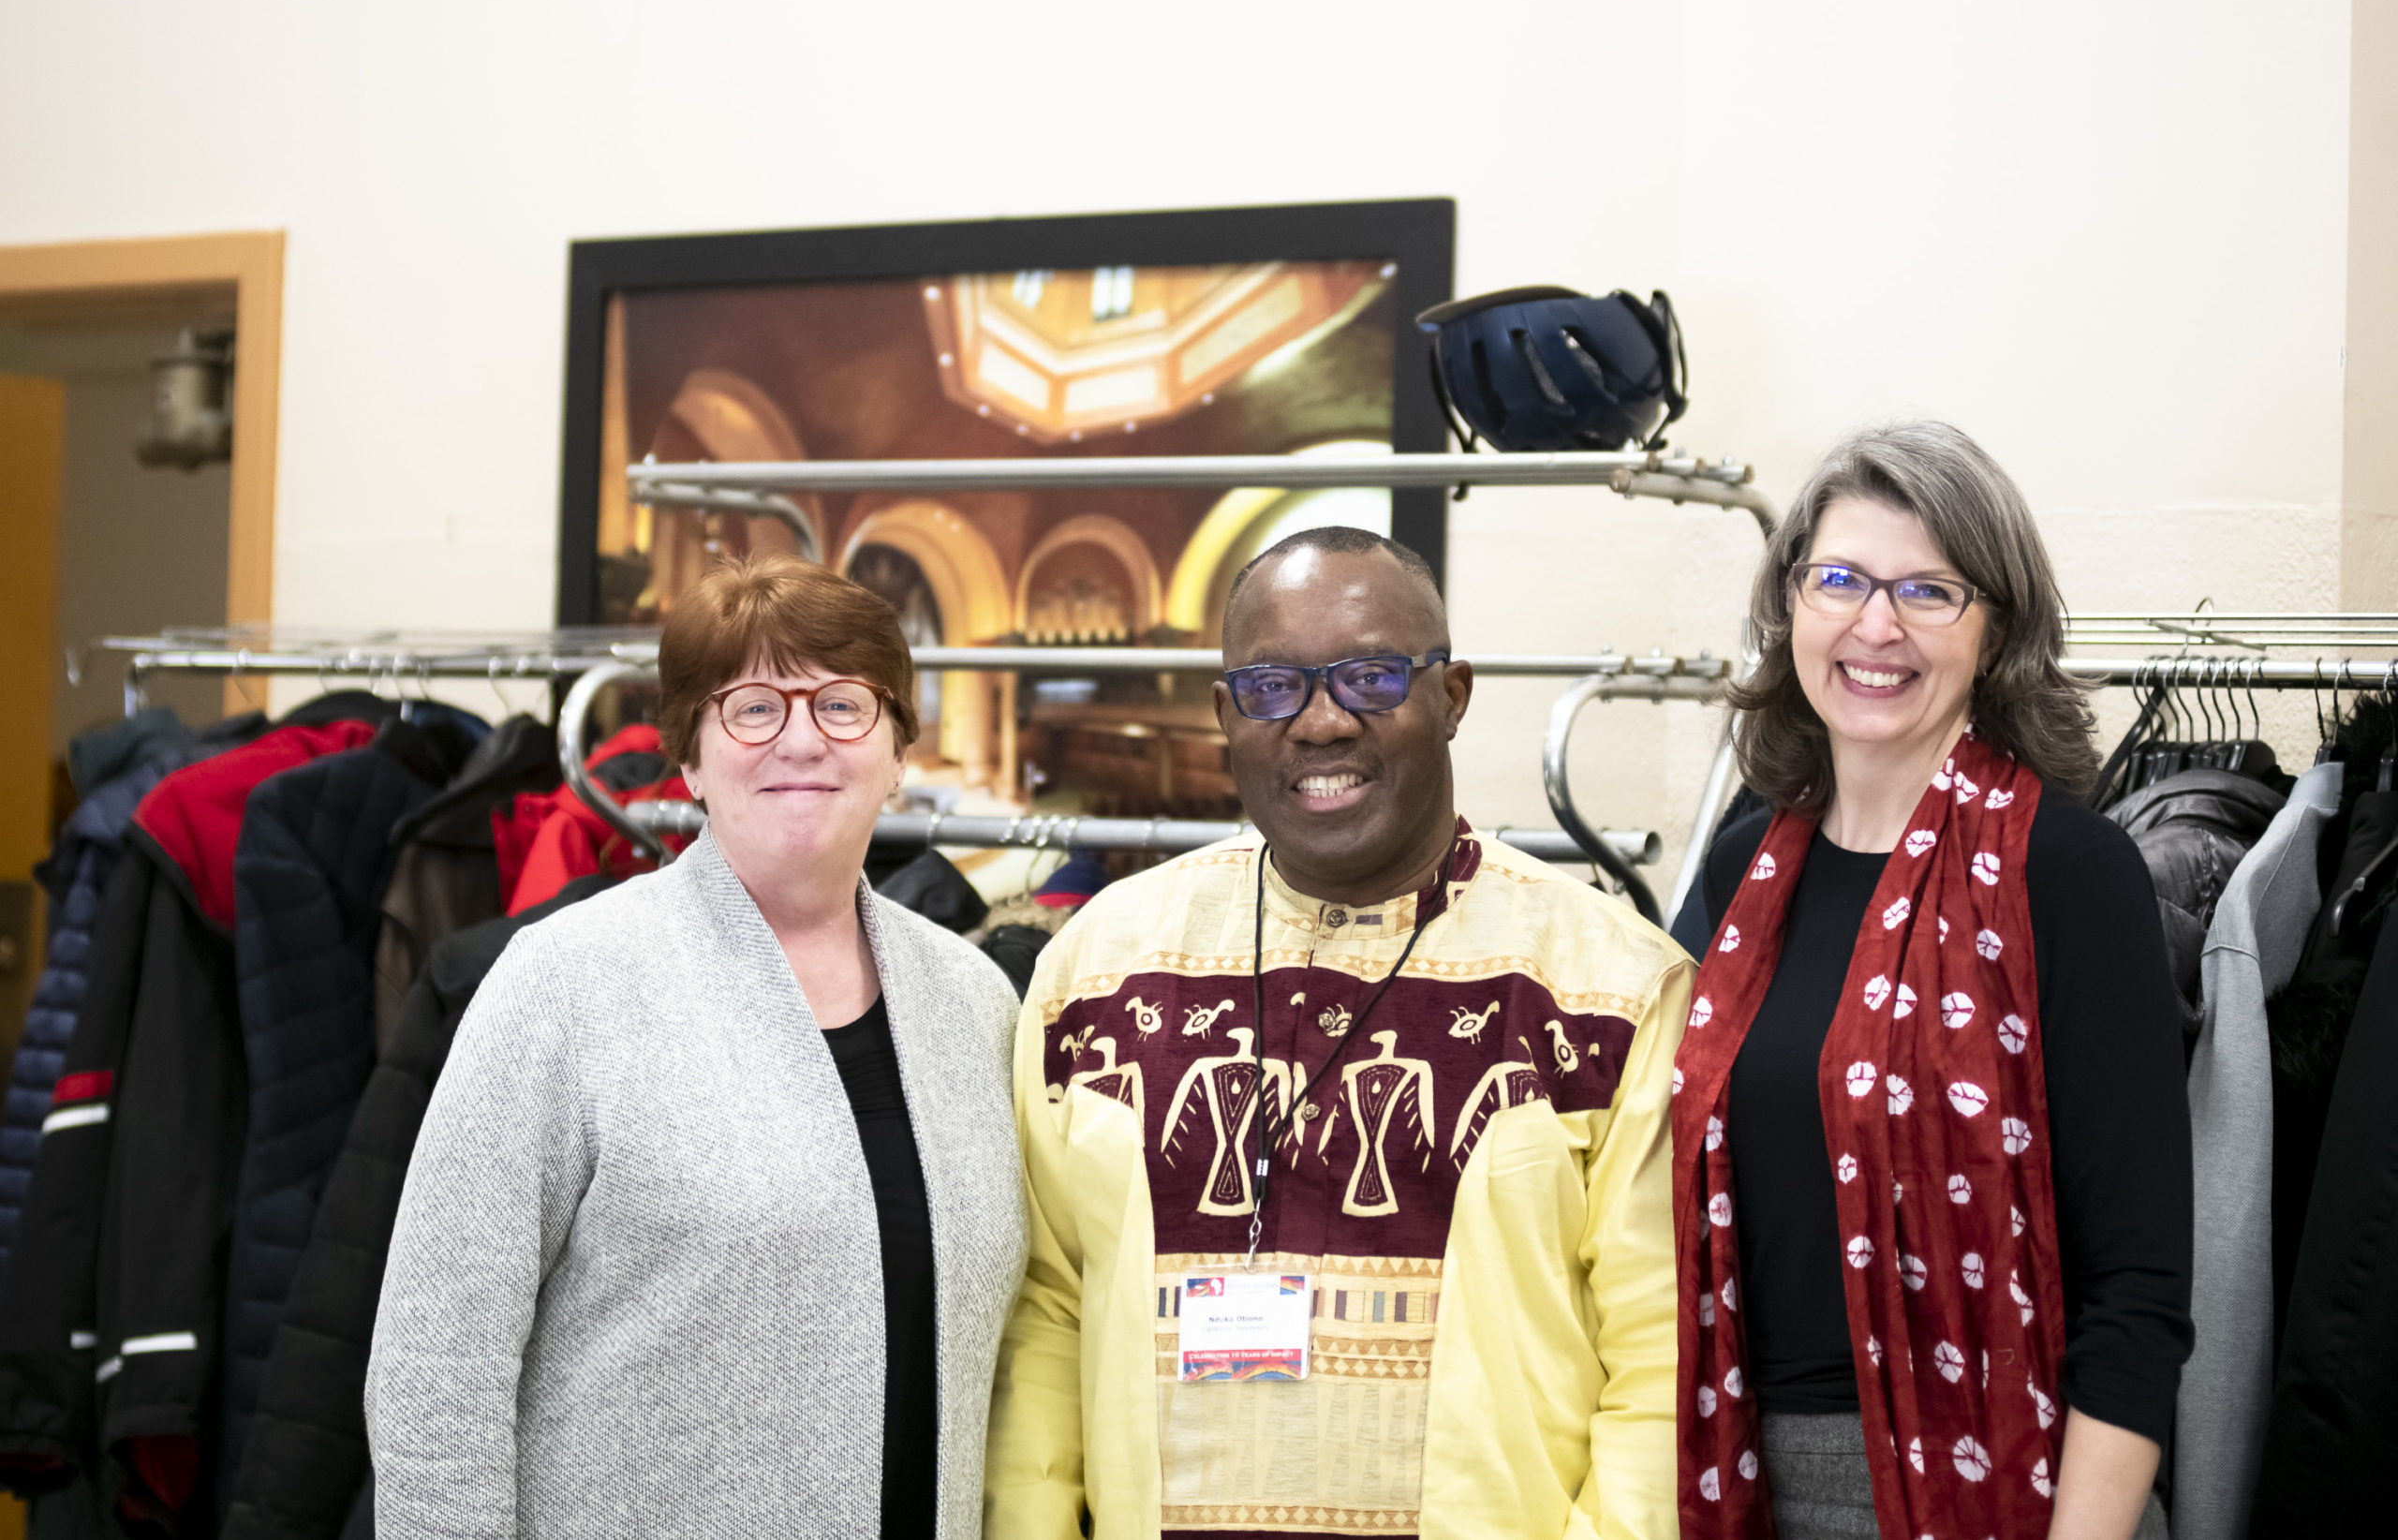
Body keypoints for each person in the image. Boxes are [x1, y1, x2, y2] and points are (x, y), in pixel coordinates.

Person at [985, 526, 1691, 1540]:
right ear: (1227, 716)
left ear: (1451, 697)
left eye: (1369, 676)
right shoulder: (1095, 974)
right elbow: (1045, 1322)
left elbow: (1663, 1364)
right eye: (1273, 686)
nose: (1319, 723)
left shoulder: (1608, 990)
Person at [365, 554, 1028, 1540]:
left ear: (896, 752)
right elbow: (436, 1365)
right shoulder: (564, 983)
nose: (800, 739)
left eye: (843, 706)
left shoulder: (974, 1001)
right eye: (752, 708)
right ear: (690, 756)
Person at [1667, 422, 2191, 1540]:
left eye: (1928, 592)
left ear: (1995, 630)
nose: (1875, 625)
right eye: (1841, 579)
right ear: (1790, 604)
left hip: (2010, 1485)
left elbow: (2137, 1292)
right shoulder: (1739, 867)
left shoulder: (2070, 874)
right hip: (1736, 1476)